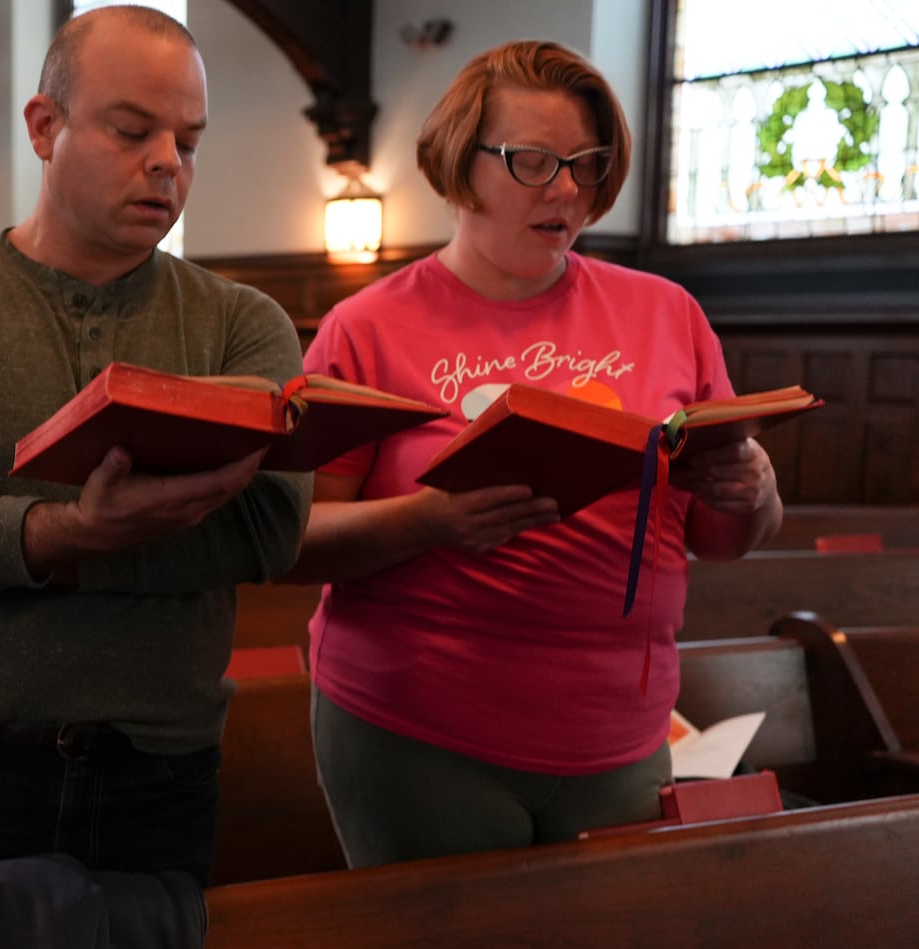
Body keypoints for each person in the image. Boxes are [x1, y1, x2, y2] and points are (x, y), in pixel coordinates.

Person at [0, 4, 310, 905]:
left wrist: (40, 545)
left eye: (190, 141)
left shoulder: (244, 323)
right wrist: (65, 531)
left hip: (165, 772)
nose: (167, 160)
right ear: (44, 128)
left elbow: (267, 529)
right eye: (133, 130)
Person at [286, 40, 784, 865]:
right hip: (418, 730)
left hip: (620, 730)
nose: (566, 189)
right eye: (532, 161)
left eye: (586, 165)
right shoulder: (366, 329)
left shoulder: (667, 314)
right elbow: (291, 541)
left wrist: (753, 490)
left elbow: (726, 536)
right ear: (458, 161)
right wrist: (429, 520)